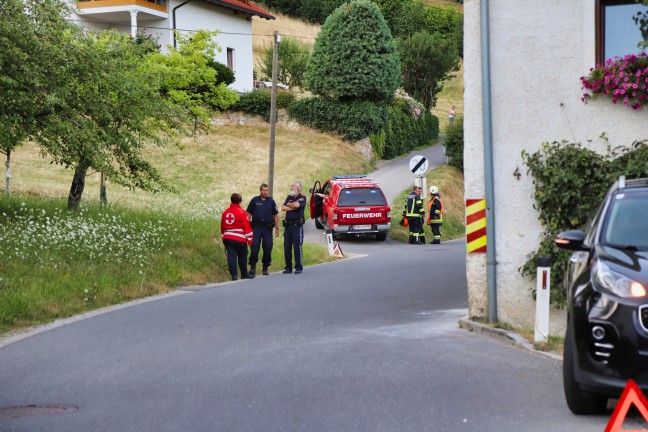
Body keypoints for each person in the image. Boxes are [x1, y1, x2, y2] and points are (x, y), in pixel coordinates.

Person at [246, 183, 280, 276]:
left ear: (268, 191)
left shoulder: (271, 201)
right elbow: (248, 213)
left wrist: (277, 228)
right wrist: (247, 225)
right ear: (260, 191)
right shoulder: (254, 200)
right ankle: (252, 267)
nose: (265, 192)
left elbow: (276, 215)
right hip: (256, 228)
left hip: (267, 228)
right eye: (263, 190)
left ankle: (265, 267)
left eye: (266, 190)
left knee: (268, 248)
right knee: (254, 248)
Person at [221, 193, 254, 281]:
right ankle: (244, 274)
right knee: (243, 255)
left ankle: (234, 276)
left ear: (231, 200)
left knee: (231, 256)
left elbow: (222, 227)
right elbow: (247, 228)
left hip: (227, 238)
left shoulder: (225, 213)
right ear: (240, 201)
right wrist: (250, 240)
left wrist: (224, 239)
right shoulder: (242, 213)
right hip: (239, 239)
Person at [281, 181, 307, 274]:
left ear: (298, 188)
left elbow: (297, 205)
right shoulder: (289, 197)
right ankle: (288, 267)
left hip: (297, 225)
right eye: (291, 185)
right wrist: (291, 206)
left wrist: (290, 205)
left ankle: (298, 267)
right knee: (287, 246)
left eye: (293, 186)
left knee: (297, 246)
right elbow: (283, 207)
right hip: (288, 225)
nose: (291, 187)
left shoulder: (302, 197)